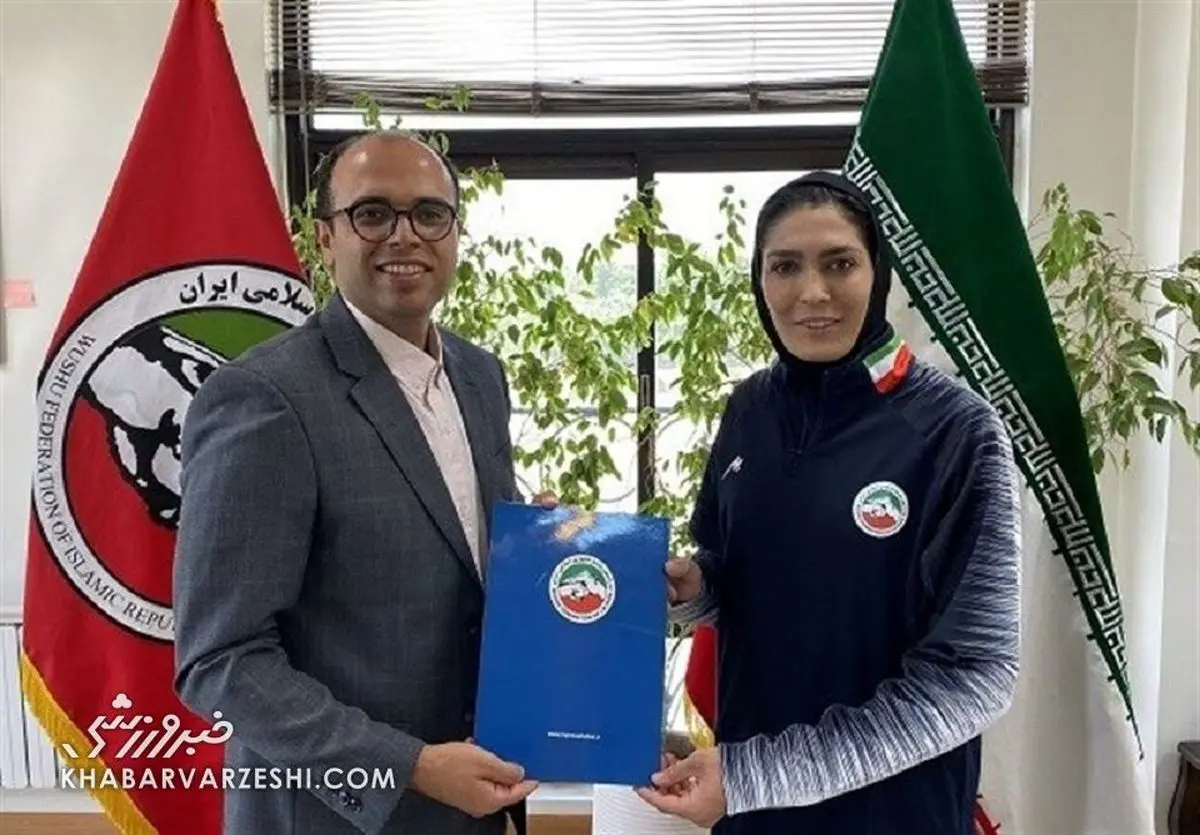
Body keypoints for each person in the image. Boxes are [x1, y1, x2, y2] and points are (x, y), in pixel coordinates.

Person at [173, 130, 553, 835]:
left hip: (478, 807)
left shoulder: (480, 377)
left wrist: (540, 552)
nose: (405, 236)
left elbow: (457, 569)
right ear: (326, 238)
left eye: (430, 214)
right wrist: (407, 766)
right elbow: (221, 660)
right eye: (372, 214)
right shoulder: (263, 397)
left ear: (455, 234)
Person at [640, 171, 1021, 835]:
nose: (811, 292)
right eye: (785, 266)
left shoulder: (956, 430)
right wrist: (692, 589)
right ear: (760, 279)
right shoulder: (750, 410)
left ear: (878, 272)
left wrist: (760, 773)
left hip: (896, 817)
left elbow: (976, 673)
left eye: (839, 263)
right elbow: (733, 573)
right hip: (753, 814)